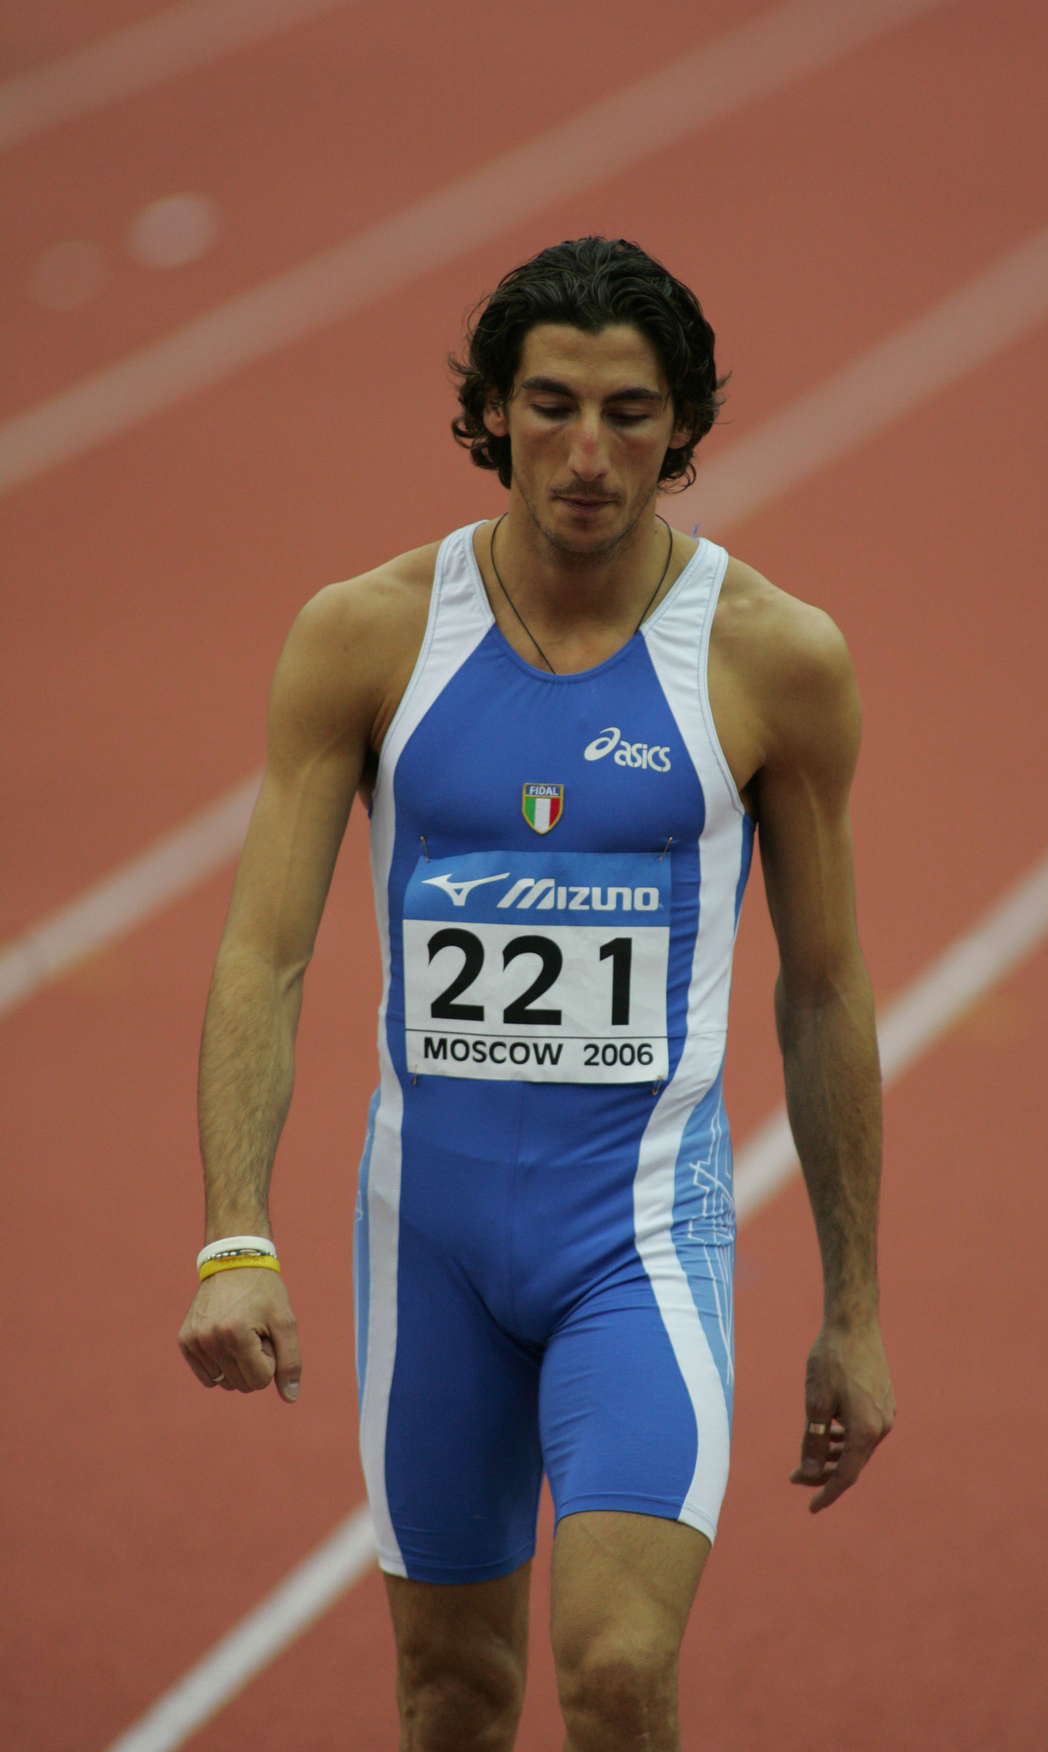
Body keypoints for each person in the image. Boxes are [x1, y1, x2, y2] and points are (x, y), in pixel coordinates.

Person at [179, 235, 894, 1751]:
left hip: (637, 1244)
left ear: (682, 426)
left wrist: (856, 1310)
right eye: (551, 406)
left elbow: (826, 990)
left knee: (619, 1671)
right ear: (492, 413)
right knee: (454, 1695)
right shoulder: (369, 634)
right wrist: (235, 1237)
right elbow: (263, 953)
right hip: (428, 1247)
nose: (586, 454)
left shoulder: (774, 659)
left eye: (629, 414)